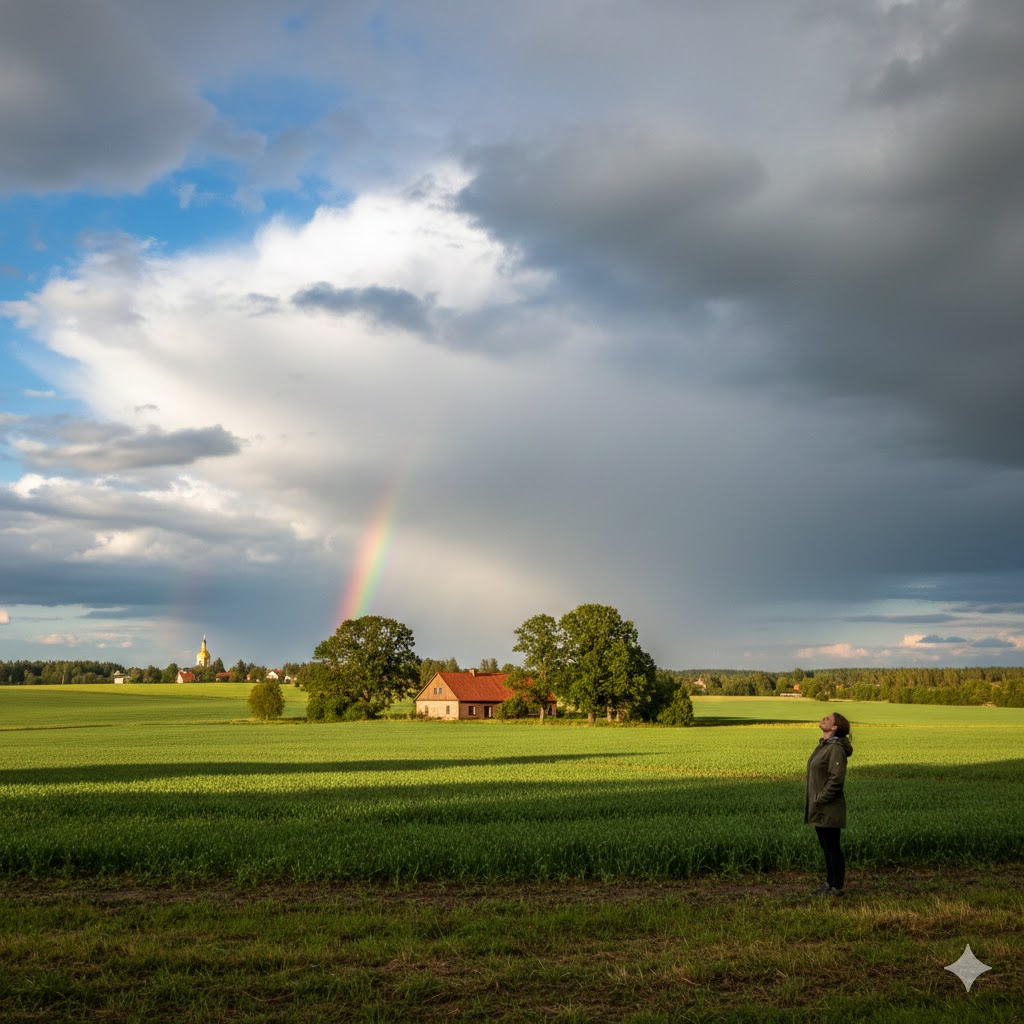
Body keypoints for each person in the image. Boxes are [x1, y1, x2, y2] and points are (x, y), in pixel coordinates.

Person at [805, 711, 852, 896]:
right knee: (826, 847)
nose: (823, 718)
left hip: (828, 807)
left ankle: (837, 887)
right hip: (820, 806)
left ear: (834, 728)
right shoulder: (824, 746)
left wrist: (819, 799)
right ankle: (829, 883)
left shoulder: (835, 749)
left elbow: (836, 780)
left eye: (828, 719)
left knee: (832, 848)